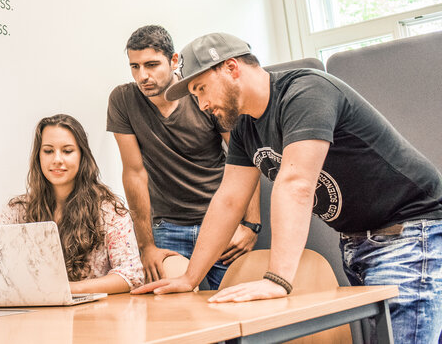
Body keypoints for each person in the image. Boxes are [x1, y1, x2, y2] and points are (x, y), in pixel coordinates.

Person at [134, 32, 442, 343]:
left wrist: (277, 279)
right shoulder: (245, 127)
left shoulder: (306, 91)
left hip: (411, 232)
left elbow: (296, 184)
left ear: (230, 68)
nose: (201, 104)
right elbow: (228, 200)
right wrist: (190, 277)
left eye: (201, 90)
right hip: (360, 243)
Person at [107, 25, 261, 289]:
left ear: (174, 60)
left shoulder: (201, 91)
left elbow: (244, 157)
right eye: (135, 67)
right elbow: (134, 173)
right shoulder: (123, 100)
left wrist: (250, 224)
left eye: (152, 65)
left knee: (230, 307)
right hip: (167, 229)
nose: (143, 76)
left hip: (219, 221)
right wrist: (146, 246)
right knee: (178, 313)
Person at [0, 114, 145, 293]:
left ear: (82, 156)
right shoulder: (16, 210)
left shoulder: (108, 209)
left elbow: (131, 276)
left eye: (67, 151)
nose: (57, 159)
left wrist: (67, 289)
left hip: (93, 316)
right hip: (31, 314)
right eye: (48, 151)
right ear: (38, 156)